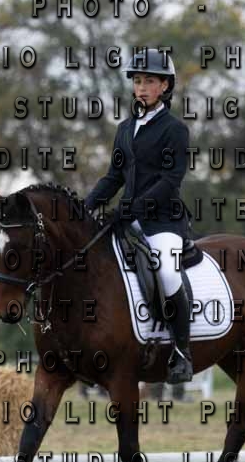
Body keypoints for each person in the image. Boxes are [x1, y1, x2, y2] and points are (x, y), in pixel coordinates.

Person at [83, 47, 194, 384]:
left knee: (167, 271)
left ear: (165, 86)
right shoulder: (124, 129)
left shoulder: (175, 130)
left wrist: (132, 208)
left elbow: (170, 181)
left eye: (149, 81)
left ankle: (181, 352)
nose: (142, 88)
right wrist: (85, 206)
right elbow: (113, 177)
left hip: (163, 222)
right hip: (126, 221)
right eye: (138, 81)